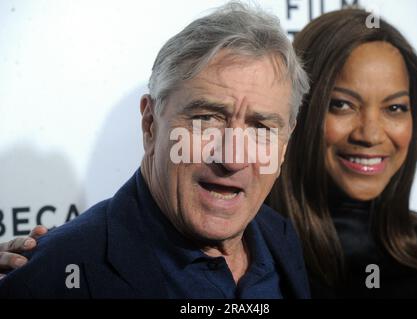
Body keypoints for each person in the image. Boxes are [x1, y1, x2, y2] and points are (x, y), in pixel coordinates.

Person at [0, 2, 311, 298]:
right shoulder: (53, 273)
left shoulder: (280, 237)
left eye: (261, 128)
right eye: (205, 119)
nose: (232, 158)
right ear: (150, 123)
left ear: (284, 146)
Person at [266, 9, 417, 298]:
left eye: (395, 108)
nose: (370, 135)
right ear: (296, 110)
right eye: (342, 104)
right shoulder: (251, 249)